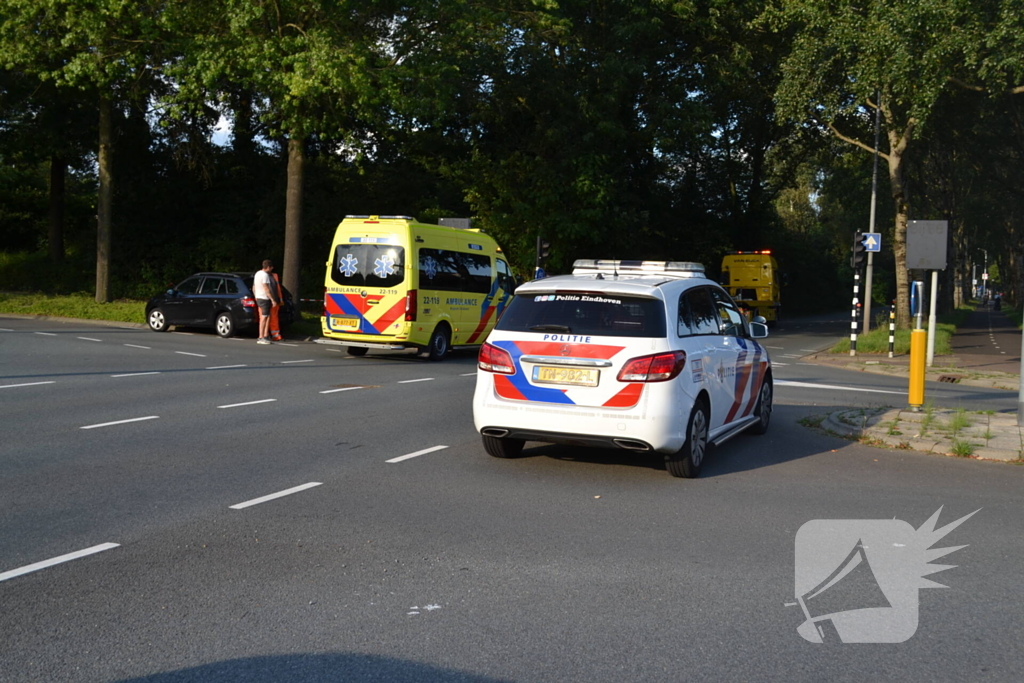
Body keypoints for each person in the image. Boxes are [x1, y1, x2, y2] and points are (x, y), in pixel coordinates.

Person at [254, 259, 280, 344]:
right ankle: (261, 337)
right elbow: (266, 288)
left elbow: (254, 287)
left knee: (267, 316)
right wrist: (273, 300)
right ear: (268, 267)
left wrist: (256, 296)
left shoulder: (257, 273)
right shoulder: (265, 275)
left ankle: (265, 335)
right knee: (264, 317)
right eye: (271, 268)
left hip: (259, 297)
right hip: (264, 298)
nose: (271, 270)